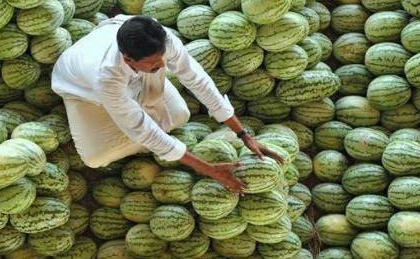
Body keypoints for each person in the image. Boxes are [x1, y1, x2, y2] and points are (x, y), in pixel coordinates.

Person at [51, 14, 284, 193]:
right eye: (154, 62)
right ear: (128, 59)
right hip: (82, 91)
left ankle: (141, 127)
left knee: (180, 115)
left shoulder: (160, 38)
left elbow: (196, 79)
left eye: (162, 57)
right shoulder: (106, 77)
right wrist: (210, 170)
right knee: (95, 159)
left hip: (134, 75)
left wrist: (243, 134)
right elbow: (143, 131)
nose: (163, 65)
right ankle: (121, 125)